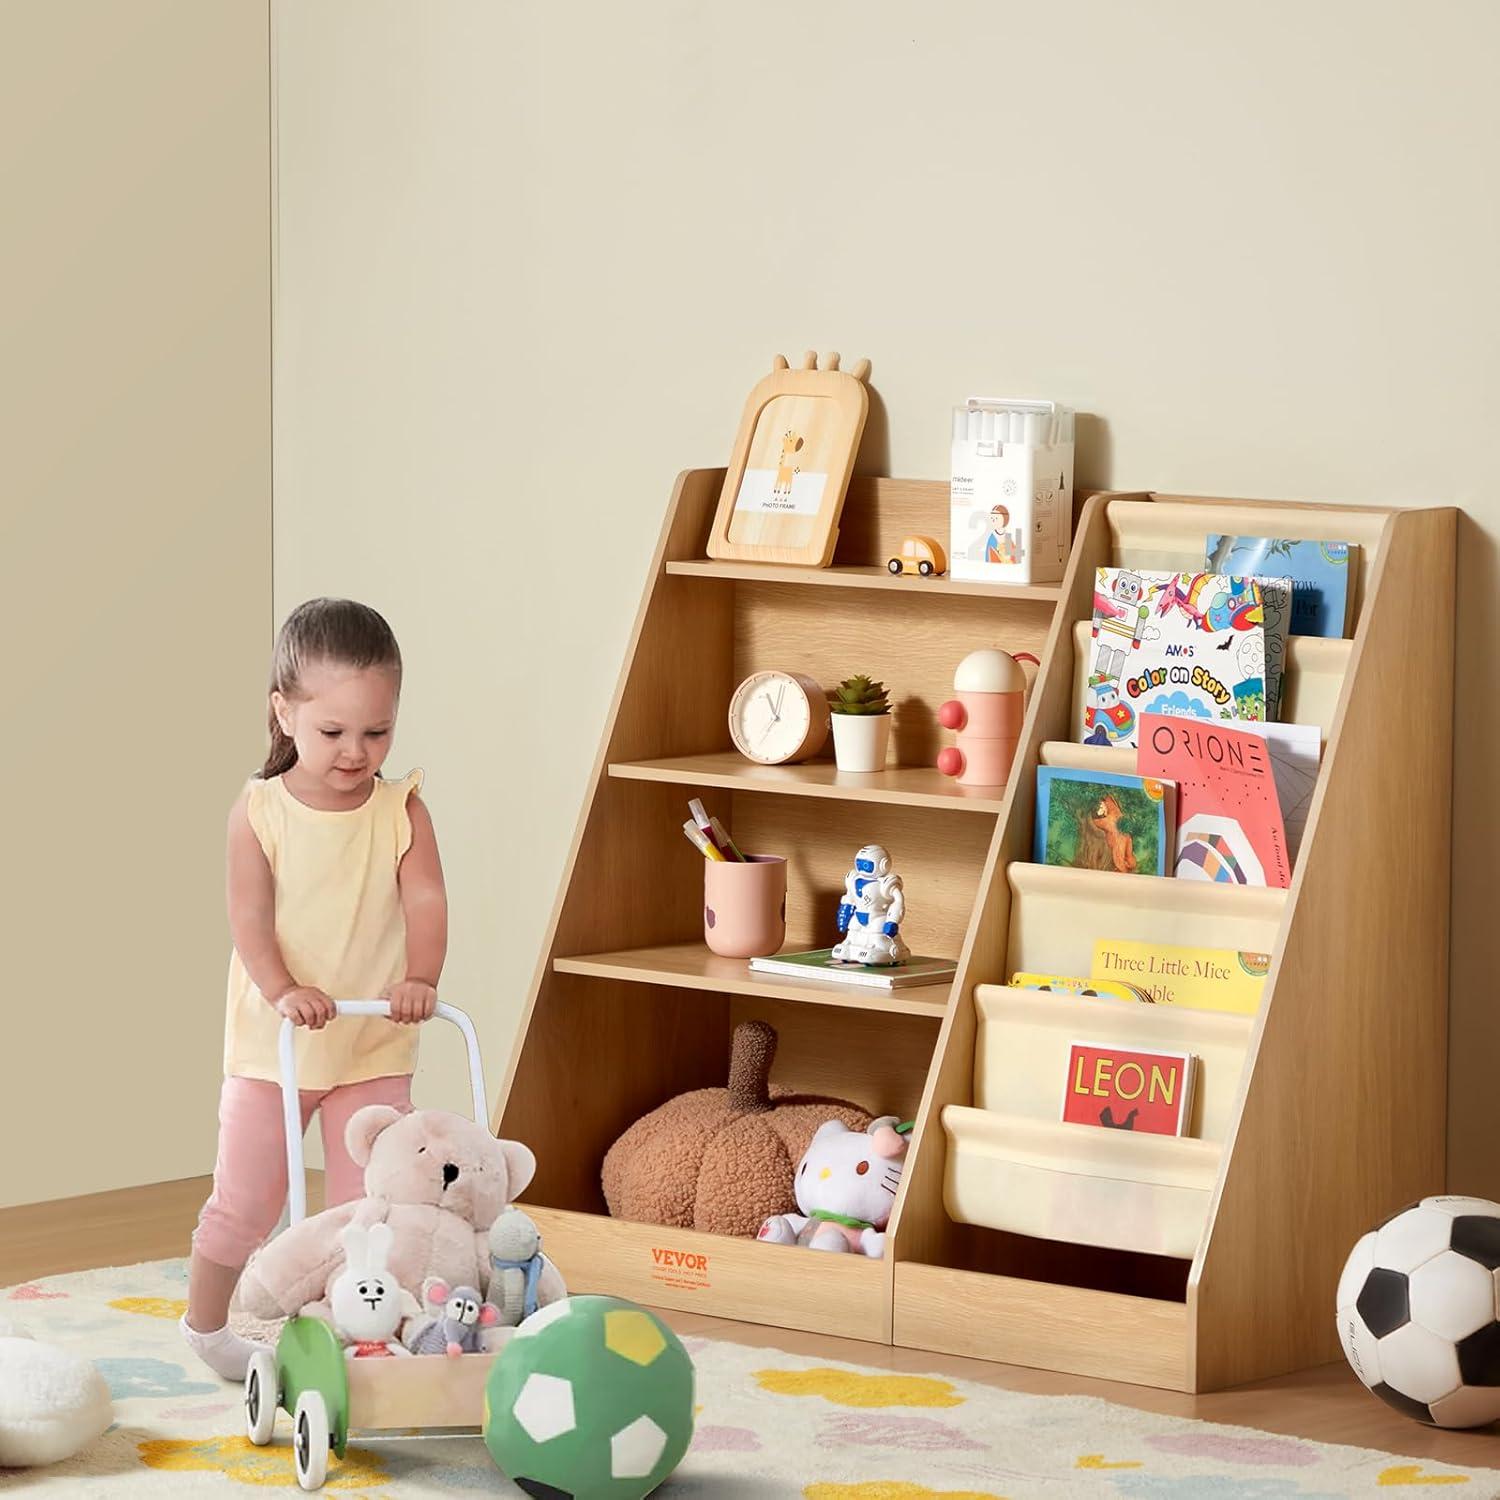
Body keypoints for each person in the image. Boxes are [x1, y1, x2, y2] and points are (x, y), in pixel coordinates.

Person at [179, 598, 446, 1378]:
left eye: (377, 731)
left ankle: (357, 1334)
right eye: (333, 732)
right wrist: (282, 986)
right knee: (247, 1201)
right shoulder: (260, 811)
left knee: (370, 1208)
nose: (356, 752)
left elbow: (426, 901)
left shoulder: (402, 812)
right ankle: (205, 1326)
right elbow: (249, 917)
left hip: (371, 1038)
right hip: (277, 1044)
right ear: (283, 713)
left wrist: (420, 977)